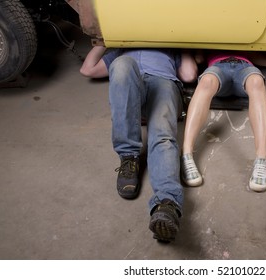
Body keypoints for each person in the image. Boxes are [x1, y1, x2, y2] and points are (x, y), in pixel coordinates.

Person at [80, 46, 197, 242]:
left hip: (164, 85)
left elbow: (190, 74)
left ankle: (167, 203)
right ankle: (129, 157)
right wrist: (103, 41)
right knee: (122, 65)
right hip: (131, 95)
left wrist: (181, 43)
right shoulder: (120, 52)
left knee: (163, 135)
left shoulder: (169, 50)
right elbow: (88, 70)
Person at [181, 50, 266, 191]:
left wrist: (249, 49)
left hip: (245, 68)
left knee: (257, 81)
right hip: (218, 67)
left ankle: (261, 159)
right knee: (206, 81)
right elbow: (199, 58)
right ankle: (186, 154)